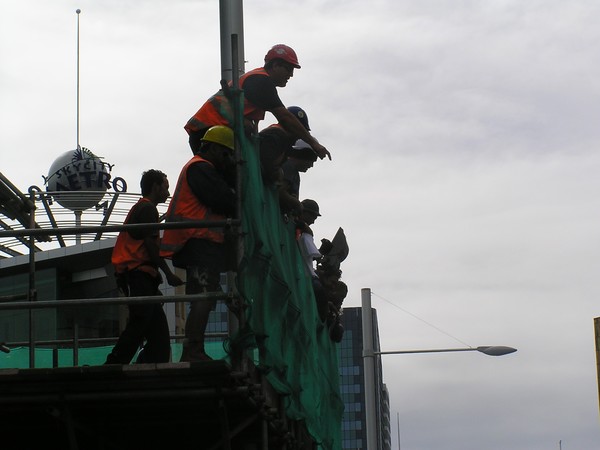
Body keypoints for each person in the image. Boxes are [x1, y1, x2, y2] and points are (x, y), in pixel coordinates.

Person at [160, 125, 237, 362]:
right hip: (197, 241)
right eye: (225, 154)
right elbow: (222, 199)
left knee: (206, 295)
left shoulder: (202, 168)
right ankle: (192, 351)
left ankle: (193, 350)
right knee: (204, 295)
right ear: (212, 148)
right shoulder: (200, 168)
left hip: (202, 241)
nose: (227, 160)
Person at [184, 44, 331, 160]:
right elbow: (285, 117)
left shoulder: (258, 80)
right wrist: (314, 144)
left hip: (212, 133)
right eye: (288, 69)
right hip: (209, 133)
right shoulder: (261, 82)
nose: (291, 75)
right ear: (275, 65)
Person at [106, 170, 184, 365]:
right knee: (140, 323)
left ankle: (141, 367)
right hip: (137, 275)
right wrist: (168, 274)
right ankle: (113, 365)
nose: (167, 192)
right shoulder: (148, 209)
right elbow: (150, 246)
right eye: (165, 187)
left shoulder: (142, 209)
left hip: (140, 276)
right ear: (155, 187)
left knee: (158, 335)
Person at [258, 106, 311, 186]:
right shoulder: (277, 134)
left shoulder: (282, 138)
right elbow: (265, 162)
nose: (301, 135)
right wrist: (276, 174)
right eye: (300, 129)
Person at [279, 139, 318, 216]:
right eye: (311, 161)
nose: (311, 166)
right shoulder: (288, 167)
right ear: (304, 155)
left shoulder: (294, 173)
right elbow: (279, 191)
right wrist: (296, 203)